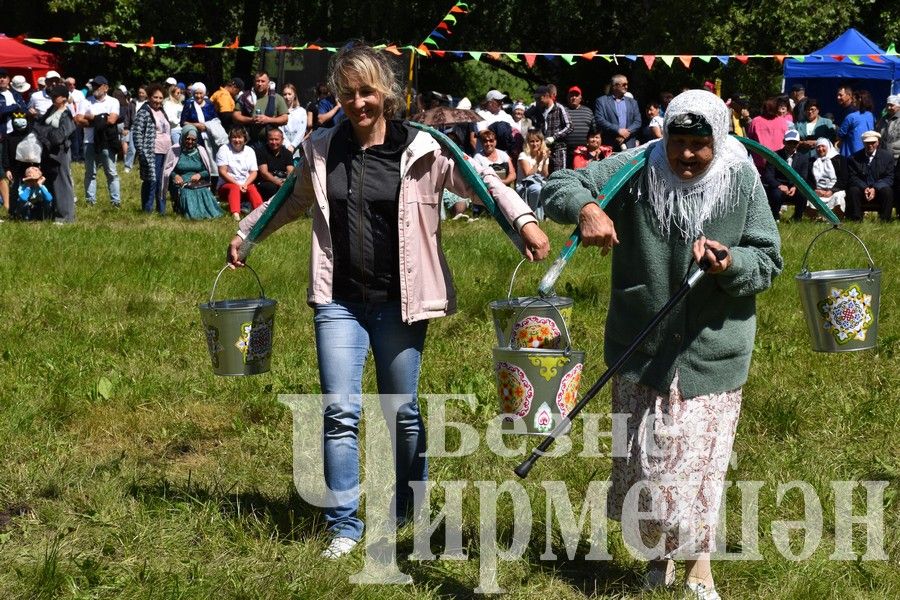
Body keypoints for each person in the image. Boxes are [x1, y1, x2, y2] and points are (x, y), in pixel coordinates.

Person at [225, 43, 549, 560]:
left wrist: (524, 222)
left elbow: (483, 183)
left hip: (402, 301)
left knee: (401, 411)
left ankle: (407, 505)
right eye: (348, 93)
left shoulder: (426, 147)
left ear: (388, 93)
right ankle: (343, 524)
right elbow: (291, 201)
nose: (358, 102)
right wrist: (247, 234)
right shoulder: (322, 148)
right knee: (339, 412)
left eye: (368, 91)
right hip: (340, 300)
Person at [542, 89, 782, 600]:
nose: (688, 155)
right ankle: (658, 557)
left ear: (719, 139)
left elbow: (766, 259)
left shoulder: (741, 180)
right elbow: (558, 184)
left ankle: (700, 568)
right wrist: (586, 207)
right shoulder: (634, 169)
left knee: (697, 467)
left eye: (701, 144)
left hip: (711, 353)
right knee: (646, 466)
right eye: (679, 141)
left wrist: (729, 264)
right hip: (641, 346)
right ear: (664, 134)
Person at [32, 84, 76, 223]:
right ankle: (49, 213)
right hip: (47, 152)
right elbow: (37, 126)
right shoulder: (51, 110)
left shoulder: (66, 114)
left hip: (60, 154)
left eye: (55, 96)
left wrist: (45, 133)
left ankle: (66, 217)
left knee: (62, 183)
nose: (52, 97)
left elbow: (59, 137)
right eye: (51, 95)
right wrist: (46, 133)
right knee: (49, 183)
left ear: (64, 98)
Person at [75, 75, 121, 208]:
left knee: (111, 172)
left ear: (106, 87)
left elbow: (111, 120)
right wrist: (101, 119)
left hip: (107, 141)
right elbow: (78, 120)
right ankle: (90, 201)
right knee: (90, 172)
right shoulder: (86, 101)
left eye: (98, 85)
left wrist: (91, 117)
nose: (95, 88)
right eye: (94, 85)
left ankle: (115, 202)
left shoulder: (113, 101)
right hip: (89, 141)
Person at [162, 124, 222, 220]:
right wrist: (175, 175)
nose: (190, 142)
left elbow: (207, 171)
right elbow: (168, 170)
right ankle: (193, 216)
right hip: (181, 181)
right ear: (183, 137)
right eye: (187, 139)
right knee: (187, 192)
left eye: (193, 140)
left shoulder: (201, 151)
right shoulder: (174, 150)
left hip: (197, 181)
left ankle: (207, 214)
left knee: (203, 192)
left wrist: (199, 174)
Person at [132, 83, 172, 214]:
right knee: (151, 181)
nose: (158, 100)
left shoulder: (162, 111)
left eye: (160, 98)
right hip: (151, 152)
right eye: (155, 97)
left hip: (165, 152)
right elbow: (137, 133)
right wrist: (141, 152)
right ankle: (147, 210)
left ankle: (161, 211)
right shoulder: (144, 112)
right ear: (149, 97)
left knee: (162, 182)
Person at [762, 129, 811, 221]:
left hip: (795, 186)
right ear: (784, 142)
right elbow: (768, 175)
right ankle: (775, 217)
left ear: (798, 143)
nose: (792, 145)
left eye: (794, 142)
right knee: (775, 194)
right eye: (789, 142)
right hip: (778, 185)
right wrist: (779, 185)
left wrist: (796, 186)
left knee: (803, 193)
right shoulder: (774, 155)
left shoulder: (803, 158)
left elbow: (803, 176)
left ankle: (797, 218)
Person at [846, 130, 894, 221]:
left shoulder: (887, 157)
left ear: (878, 142)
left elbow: (889, 177)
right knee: (853, 190)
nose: (870, 145)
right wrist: (865, 187)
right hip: (862, 190)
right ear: (863, 143)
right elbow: (852, 177)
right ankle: (855, 220)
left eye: (873, 142)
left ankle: (885, 220)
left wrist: (875, 188)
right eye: (867, 143)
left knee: (888, 191)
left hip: (880, 190)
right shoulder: (853, 158)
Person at [216, 126, 262, 220]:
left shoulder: (250, 151)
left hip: (245, 184)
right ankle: (236, 214)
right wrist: (237, 184)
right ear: (230, 139)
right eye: (234, 137)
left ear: (245, 138)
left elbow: (254, 172)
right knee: (234, 187)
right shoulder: (224, 149)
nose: (237, 140)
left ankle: (261, 213)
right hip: (226, 186)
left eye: (239, 137)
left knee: (252, 188)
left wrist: (245, 184)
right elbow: (222, 172)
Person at [233, 72, 289, 148]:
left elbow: (285, 119)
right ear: (254, 82)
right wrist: (251, 120)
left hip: (270, 143)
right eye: (257, 81)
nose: (260, 84)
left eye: (263, 81)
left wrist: (268, 120)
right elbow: (236, 116)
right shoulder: (245, 97)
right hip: (249, 141)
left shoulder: (277, 98)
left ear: (268, 83)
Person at [526, 85, 572, 172]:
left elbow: (569, 126)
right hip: (544, 149)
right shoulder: (539, 110)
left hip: (558, 150)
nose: (537, 102)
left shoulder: (559, 108)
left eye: (539, 99)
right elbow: (526, 114)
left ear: (547, 96)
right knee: (543, 176)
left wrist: (554, 137)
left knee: (559, 176)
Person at [594, 74, 642, 150]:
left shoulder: (633, 102)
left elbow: (638, 121)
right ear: (615, 86)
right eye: (624, 84)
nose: (626, 87)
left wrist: (626, 133)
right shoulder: (602, 101)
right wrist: (618, 130)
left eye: (627, 84)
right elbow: (599, 119)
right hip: (610, 144)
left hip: (629, 143)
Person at [809, 138, 848, 218]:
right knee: (808, 196)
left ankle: (837, 219)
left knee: (838, 196)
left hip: (835, 190)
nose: (820, 149)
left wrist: (832, 191)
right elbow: (808, 178)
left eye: (823, 146)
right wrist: (815, 190)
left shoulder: (840, 159)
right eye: (818, 147)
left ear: (828, 147)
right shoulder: (812, 161)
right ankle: (815, 219)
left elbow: (844, 179)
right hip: (817, 191)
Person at [747, 97, 789, 172]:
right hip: (779, 162)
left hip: (760, 162)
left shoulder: (756, 121)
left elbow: (750, 139)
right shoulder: (783, 122)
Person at [516, 129, 550, 219]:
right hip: (524, 186)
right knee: (537, 189)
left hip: (539, 182)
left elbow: (545, 175)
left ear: (541, 142)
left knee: (547, 187)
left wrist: (545, 159)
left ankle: (546, 214)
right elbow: (528, 175)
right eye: (532, 141)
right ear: (527, 143)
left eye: (537, 141)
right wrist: (538, 161)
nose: (535, 144)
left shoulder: (543, 154)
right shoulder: (523, 155)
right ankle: (532, 213)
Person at [254, 127, 294, 199]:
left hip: (283, 180)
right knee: (271, 187)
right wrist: (278, 182)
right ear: (267, 140)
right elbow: (264, 173)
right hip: (266, 180)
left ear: (282, 140)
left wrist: (286, 183)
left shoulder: (288, 153)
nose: (274, 142)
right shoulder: (261, 151)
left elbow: (290, 171)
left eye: (276, 139)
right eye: (271, 139)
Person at [836, 85, 873, 158]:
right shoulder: (871, 115)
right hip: (865, 152)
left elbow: (840, 134)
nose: (852, 101)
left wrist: (835, 129)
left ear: (859, 100)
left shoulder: (851, 116)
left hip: (850, 153)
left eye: (853, 99)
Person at [280, 83, 307, 154]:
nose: (287, 96)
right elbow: (280, 129)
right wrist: (287, 145)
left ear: (294, 95)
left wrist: (293, 145)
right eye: (285, 94)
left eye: (289, 94)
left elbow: (302, 130)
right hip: (282, 144)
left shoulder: (301, 111)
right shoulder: (279, 111)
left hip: (297, 146)